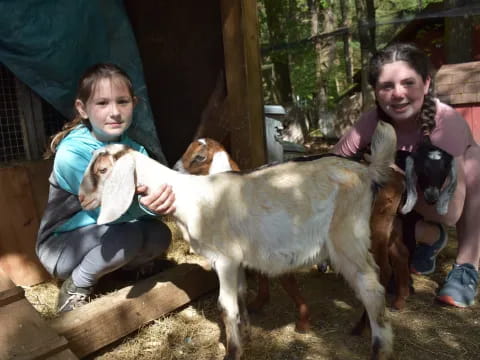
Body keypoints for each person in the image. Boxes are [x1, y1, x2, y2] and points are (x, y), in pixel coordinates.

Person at [333, 43, 479, 308]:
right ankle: (428, 239)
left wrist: (392, 176)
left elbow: (449, 213)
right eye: (386, 86)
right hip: (403, 204)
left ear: (426, 84)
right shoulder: (372, 120)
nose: (397, 94)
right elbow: (331, 165)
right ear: (376, 92)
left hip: (436, 203)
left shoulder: (445, 124)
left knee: (476, 164)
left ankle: (466, 268)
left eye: (408, 83)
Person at [36, 63, 176, 313]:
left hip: (110, 232)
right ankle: (77, 285)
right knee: (130, 236)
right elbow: (106, 210)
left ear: (134, 103)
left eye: (122, 102)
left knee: (161, 235)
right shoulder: (72, 153)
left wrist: (155, 206)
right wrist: (144, 205)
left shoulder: (136, 149)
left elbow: (147, 198)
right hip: (62, 246)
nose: (114, 112)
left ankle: (125, 272)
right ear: (83, 108)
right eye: (102, 103)